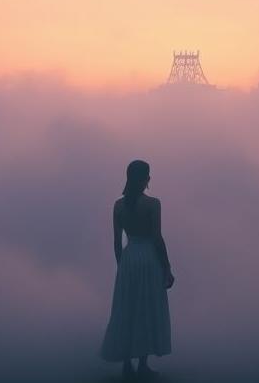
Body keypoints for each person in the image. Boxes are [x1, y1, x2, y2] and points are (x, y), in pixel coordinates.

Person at [100, 159, 174, 379]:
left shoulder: (118, 206)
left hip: (129, 258)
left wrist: (121, 266)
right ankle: (142, 364)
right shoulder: (153, 204)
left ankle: (126, 364)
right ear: (146, 179)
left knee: (127, 308)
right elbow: (157, 238)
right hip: (149, 258)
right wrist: (167, 267)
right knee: (146, 307)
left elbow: (116, 241)